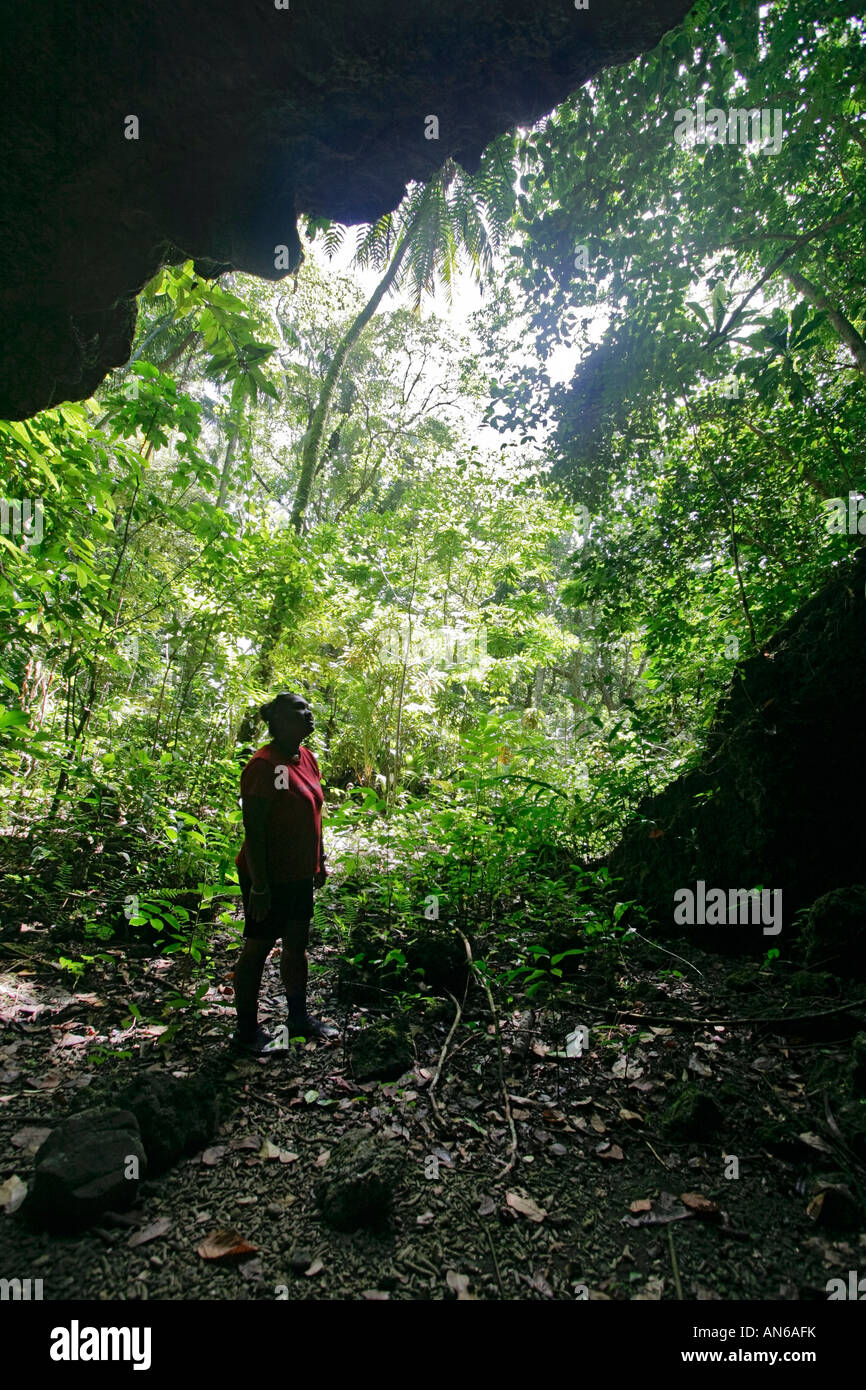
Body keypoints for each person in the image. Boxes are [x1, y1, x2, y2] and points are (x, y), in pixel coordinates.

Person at [231, 691, 339, 1054]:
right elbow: (255, 828)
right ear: (277, 721)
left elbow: (314, 813)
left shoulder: (305, 757)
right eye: (298, 711)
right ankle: (246, 1033)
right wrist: (260, 885)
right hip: (268, 877)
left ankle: (298, 1018)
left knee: (296, 946)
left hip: (298, 875)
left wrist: (319, 859)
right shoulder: (265, 765)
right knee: (258, 949)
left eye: (308, 709)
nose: (308, 715)